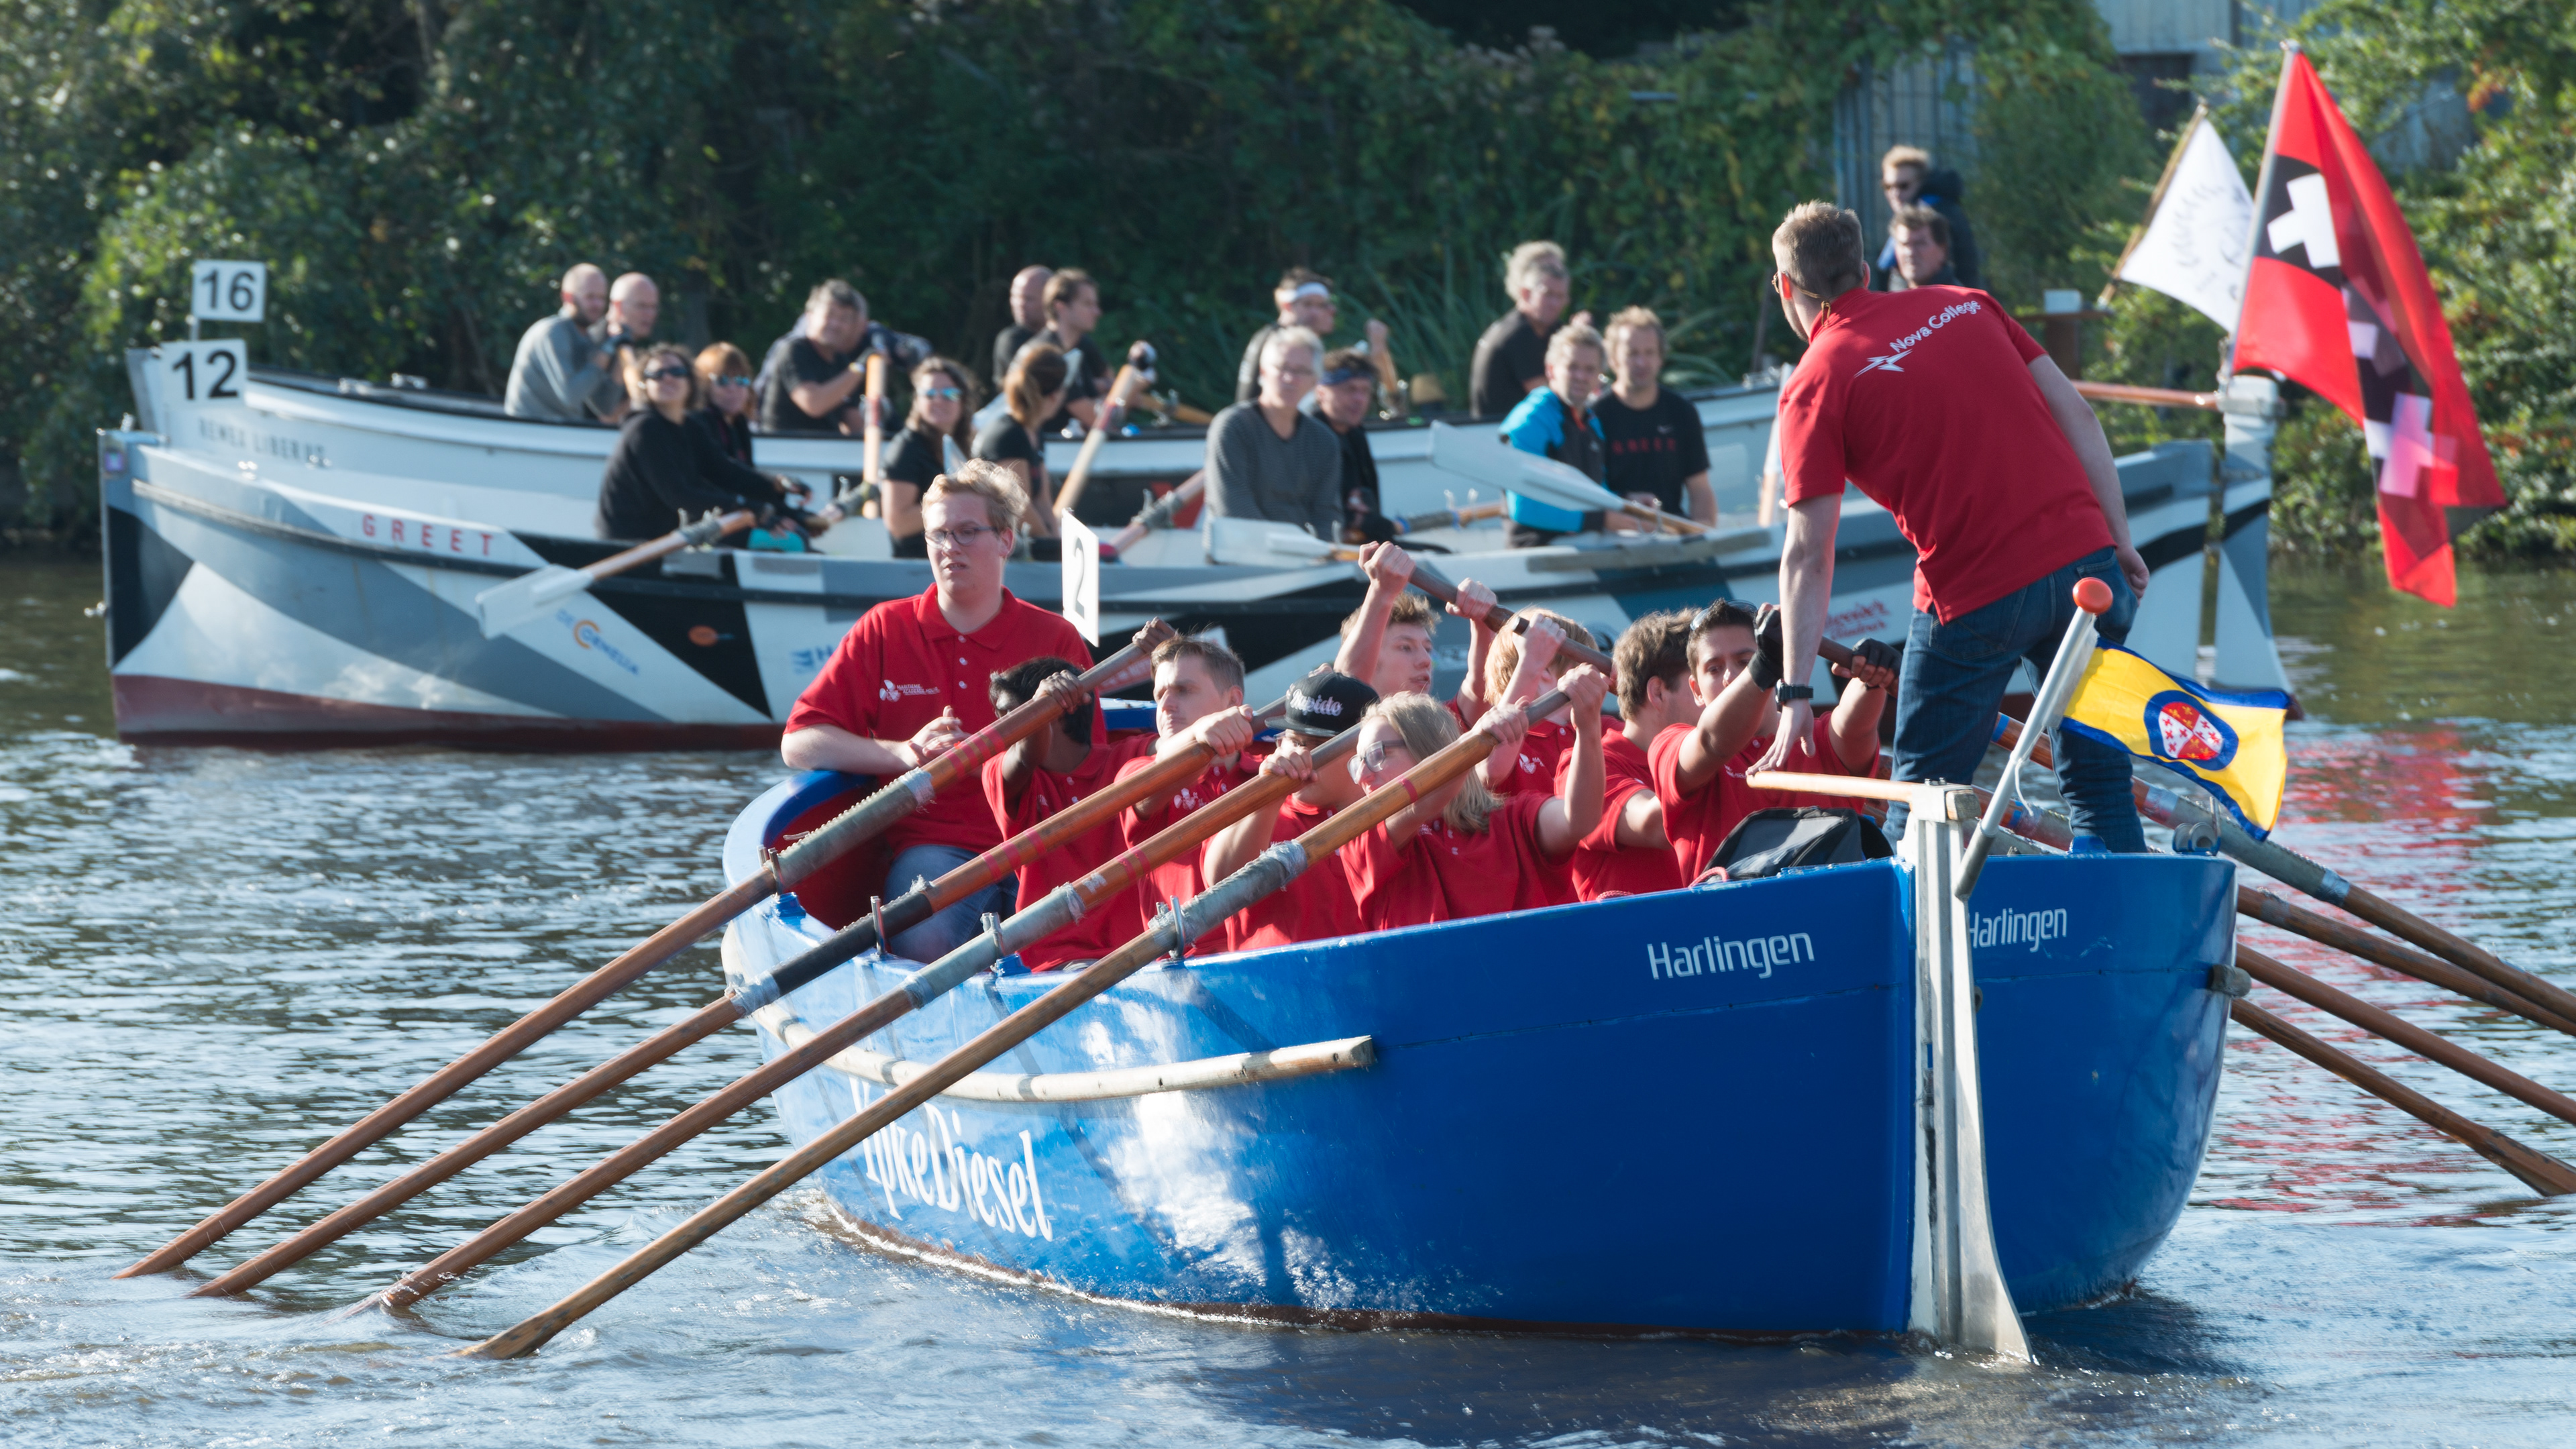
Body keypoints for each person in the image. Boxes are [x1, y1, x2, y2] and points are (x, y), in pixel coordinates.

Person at [1761, 199, 2149, 849]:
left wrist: (1797, 690)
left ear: (1784, 287)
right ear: (1864, 270)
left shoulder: (1814, 382)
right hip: (2090, 569)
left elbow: (1808, 554)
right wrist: (2120, 541)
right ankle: (2126, 911)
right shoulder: (1968, 303)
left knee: (1921, 804)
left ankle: (1913, 912)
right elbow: (2079, 416)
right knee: (2100, 788)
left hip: (1975, 596)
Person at [780, 463, 1096, 961]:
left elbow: (1092, 767)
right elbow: (799, 744)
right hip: (934, 849)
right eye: (938, 535)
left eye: (967, 532)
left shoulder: (1056, 637)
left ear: (1006, 540)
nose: (950, 547)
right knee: (920, 944)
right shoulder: (884, 628)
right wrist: (903, 753)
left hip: (1041, 844)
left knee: (1077, 953)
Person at [1339, 630, 1609, 928]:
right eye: (1358, 762)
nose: (1362, 775)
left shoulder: (1514, 817)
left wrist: (1588, 728)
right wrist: (1473, 743)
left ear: (1426, 749)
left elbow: (1579, 820)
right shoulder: (1361, 837)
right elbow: (1425, 801)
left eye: (1377, 755)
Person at [1652, 600, 1892, 883]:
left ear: (1781, 665)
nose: (1730, 677)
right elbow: (1712, 741)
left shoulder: (1821, 740)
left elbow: (1854, 725)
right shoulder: (1669, 746)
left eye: (1745, 662)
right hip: (1727, 915)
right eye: (1714, 669)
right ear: (1696, 690)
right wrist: (1763, 666)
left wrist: (1873, 675)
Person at [979, 657, 1161, 971]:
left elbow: (1176, 744)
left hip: (1150, 952)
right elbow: (1026, 755)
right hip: (1061, 962)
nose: (997, 727)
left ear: (1064, 709)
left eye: (1009, 713)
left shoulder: (1130, 758)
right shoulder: (999, 771)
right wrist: (1040, 707)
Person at [1197, 672, 1381, 952]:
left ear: (1363, 752)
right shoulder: (1252, 812)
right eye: (1294, 740)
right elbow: (1220, 886)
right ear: (1278, 744)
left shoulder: (1393, 814)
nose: (1302, 755)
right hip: (1274, 979)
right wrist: (1268, 798)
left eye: (1320, 745)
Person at [1111, 635, 1265, 942]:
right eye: (1160, 695)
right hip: (1181, 962)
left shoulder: (1268, 771)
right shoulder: (1135, 772)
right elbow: (1158, 775)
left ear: (1233, 701)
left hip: (1264, 956)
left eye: (1183, 690)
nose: (1165, 705)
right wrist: (1198, 733)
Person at [594, 344, 800, 541]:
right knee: (788, 542)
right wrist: (743, 505)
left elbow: (726, 472)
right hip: (628, 544)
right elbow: (678, 495)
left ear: (691, 383)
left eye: (676, 372)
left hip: (664, 541)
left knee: (796, 536)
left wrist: (779, 484)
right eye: (657, 374)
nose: (667, 378)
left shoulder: (690, 427)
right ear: (645, 386)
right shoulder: (644, 428)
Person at [1557, 611, 1693, 902]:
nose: (1719, 694)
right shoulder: (1586, 765)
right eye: (1704, 678)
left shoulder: (1732, 754)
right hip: (1637, 932)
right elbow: (1656, 825)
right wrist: (1722, 740)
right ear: (1658, 693)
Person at [1499, 320, 1643, 547]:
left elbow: (1596, 492)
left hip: (1582, 542)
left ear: (1599, 376)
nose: (1581, 376)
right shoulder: (1530, 421)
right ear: (1551, 370)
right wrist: (1601, 520)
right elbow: (1524, 509)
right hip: (1538, 548)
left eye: (1589, 370)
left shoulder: (1592, 424)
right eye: (1572, 367)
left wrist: (1625, 502)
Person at [1332, 541, 1499, 722]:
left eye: (1428, 649)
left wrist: (1483, 621)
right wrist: (1381, 592)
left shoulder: (1444, 726)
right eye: (1406, 647)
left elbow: (1481, 691)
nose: (1426, 661)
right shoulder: (1336, 724)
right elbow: (1346, 685)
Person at [1201, 327, 1341, 539]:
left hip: (1308, 557)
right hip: (1239, 554)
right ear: (1263, 372)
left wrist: (1315, 550)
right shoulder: (1232, 428)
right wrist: (1286, 546)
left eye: (1301, 371)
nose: (1290, 378)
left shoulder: (1324, 441)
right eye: (1282, 367)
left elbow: (1327, 515)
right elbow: (1233, 508)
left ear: (1315, 381)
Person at [756, 280, 932, 436]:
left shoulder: (841, 362)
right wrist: (861, 367)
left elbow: (854, 422)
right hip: (784, 452)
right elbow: (814, 404)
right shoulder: (794, 350)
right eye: (830, 315)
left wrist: (900, 433)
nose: (835, 324)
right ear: (810, 317)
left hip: (826, 452)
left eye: (844, 319)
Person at [1596, 307, 1717, 525]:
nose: (1642, 362)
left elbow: (1700, 488)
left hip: (1673, 534)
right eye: (1632, 354)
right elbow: (1588, 493)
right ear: (1613, 360)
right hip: (1614, 536)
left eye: (1649, 353)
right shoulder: (1595, 416)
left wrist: (1704, 532)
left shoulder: (1682, 412)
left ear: (1661, 358)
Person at [1470, 608, 1596, 798]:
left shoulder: (1599, 731)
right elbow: (1490, 772)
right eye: (1584, 665)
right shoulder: (1507, 743)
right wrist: (1531, 662)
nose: (1594, 675)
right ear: (1545, 669)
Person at [881, 356, 979, 557]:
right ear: (917, 401)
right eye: (930, 394)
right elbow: (898, 523)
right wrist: (953, 501)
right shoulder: (906, 448)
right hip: (918, 562)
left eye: (950, 394)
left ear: (963, 401)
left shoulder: (968, 444)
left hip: (958, 557)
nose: (939, 400)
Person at [504, 264, 624, 423]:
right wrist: (606, 351)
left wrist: (621, 349)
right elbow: (571, 396)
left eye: (602, 298)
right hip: (531, 430)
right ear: (568, 297)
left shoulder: (586, 338)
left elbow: (604, 408)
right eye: (590, 297)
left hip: (561, 431)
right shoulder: (553, 332)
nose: (597, 305)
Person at [1469, 241, 1570, 419]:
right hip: (1498, 432)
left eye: (1560, 295)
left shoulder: (1549, 328)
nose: (1554, 303)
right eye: (1548, 293)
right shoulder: (1516, 334)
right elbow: (1550, 400)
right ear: (1526, 292)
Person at [974, 343, 1066, 535]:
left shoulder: (1034, 431)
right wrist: (1049, 542)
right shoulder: (1008, 436)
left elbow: (1042, 500)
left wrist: (1056, 540)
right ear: (1055, 396)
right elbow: (1019, 508)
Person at [1876, 146, 1982, 289]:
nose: (1895, 193)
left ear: (1922, 182)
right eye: (1888, 187)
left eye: (1903, 186)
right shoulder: (1916, 213)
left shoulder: (1934, 217)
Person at [1315, 347, 1392, 543]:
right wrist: (1355, 519)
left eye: (1365, 391)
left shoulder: (1356, 434)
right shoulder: (1308, 436)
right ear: (1321, 392)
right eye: (1349, 390)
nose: (1359, 399)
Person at [1235, 268, 1338, 404]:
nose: (1317, 313)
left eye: (1322, 305)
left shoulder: (1304, 341)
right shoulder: (1275, 341)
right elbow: (1249, 397)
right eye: (1308, 304)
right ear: (1287, 305)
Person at [1033, 268, 1110, 433]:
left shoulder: (1077, 350)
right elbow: (1094, 417)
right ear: (1061, 307)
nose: (1097, 312)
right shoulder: (1047, 355)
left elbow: (1097, 403)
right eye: (1088, 304)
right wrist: (1131, 389)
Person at [693, 342, 759, 466]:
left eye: (741, 380)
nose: (733, 388)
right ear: (704, 386)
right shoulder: (699, 425)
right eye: (722, 380)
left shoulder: (740, 424)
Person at [991, 265, 1052, 386]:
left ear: (1049, 300)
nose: (1019, 304)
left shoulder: (1071, 338)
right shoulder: (1012, 340)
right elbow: (1035, 386)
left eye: (1028, 299)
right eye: (1015, 297)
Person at [1879, 205, 1958, 292]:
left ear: (1943, 250)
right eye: (1904, 244)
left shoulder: (1959, 299)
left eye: (1920, 244)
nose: (1910, 252)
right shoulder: (1889, 298)